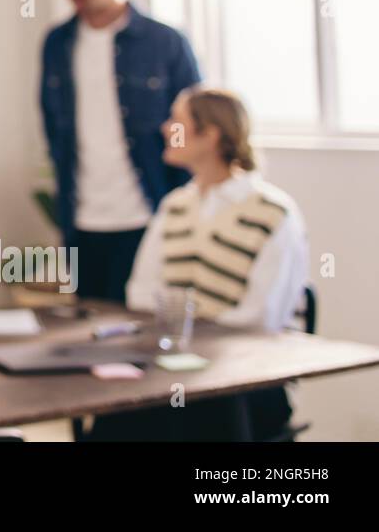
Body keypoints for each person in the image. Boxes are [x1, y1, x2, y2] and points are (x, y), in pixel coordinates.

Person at [85, 86, 309, 440]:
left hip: (245, 381)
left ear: (211, 134)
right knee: (118, 411)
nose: (164, 128)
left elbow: (260, 317)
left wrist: (185, 332)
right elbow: (142, 293)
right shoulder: (175, 206)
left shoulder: (274, 213)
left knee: (180, 414)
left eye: (177, 120)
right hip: (175, 368)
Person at [40, 0, 201, 303]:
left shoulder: (165, 42)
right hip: (83, 222)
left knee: (144, 333)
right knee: (89, 336)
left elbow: (192, 124)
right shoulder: (57, 44)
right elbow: (52, 126)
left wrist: (180, 197)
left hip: (148, 215)